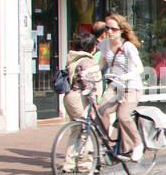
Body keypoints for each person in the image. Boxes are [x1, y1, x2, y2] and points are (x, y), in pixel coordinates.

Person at [100, 13, 145, 163]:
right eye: (107, 28)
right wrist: (86, 72)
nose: (109, 31)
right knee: (103, 110)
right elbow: (99, 64)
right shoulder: (105, 44)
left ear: (121, 30)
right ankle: (104, 144)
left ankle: (137, 144)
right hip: (115, 86)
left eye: (113, 29)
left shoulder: (128, 47)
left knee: (123, 115)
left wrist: (125, 77)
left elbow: (140, 68)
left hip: (132, 86)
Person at [61, 30, 102, 122]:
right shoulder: (86, 61)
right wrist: (93, 103)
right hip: (79, 98)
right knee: (84, 131)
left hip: (70, 96)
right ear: (93, 47)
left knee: (76, 131)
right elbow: (88, 83)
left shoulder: (74, 58)